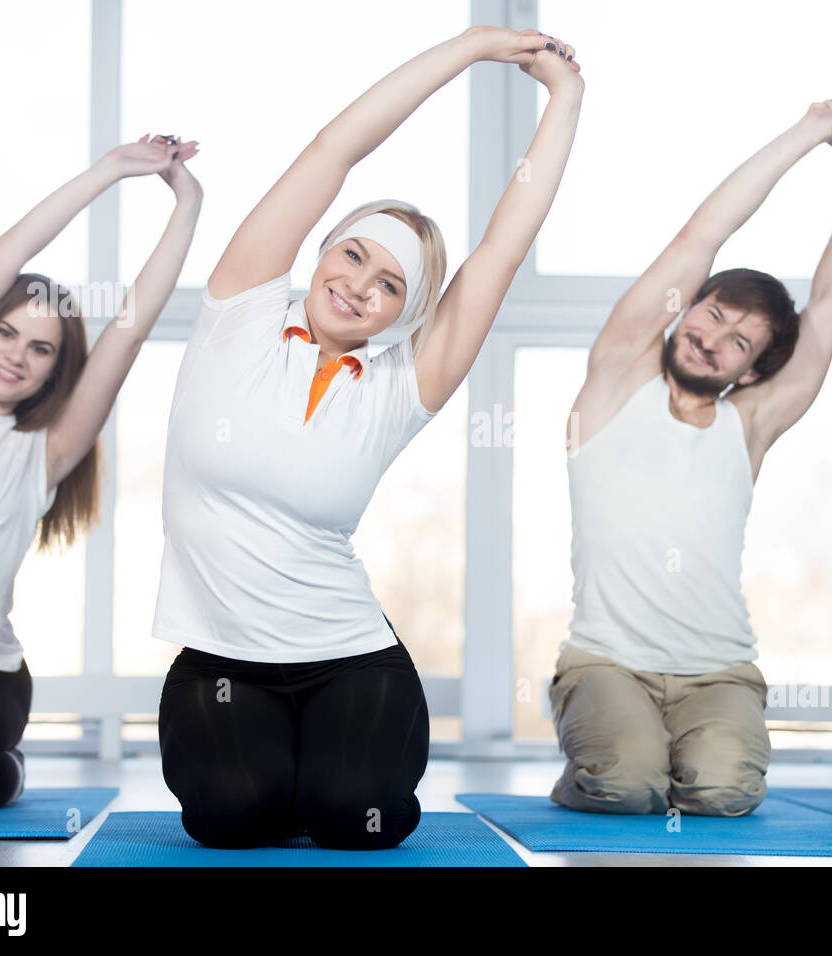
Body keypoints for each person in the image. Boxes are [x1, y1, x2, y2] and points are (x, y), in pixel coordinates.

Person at [154, 26, 584, 850]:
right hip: (220, 660)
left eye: (389, 285)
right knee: (231, 821)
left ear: (405, 313)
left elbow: (503, 247)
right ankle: (281, 779)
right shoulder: (239, 311)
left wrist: (564, 99)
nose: (359, 286)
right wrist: (469, 48)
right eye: (352, 256)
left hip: (350, 657)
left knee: (358, 821)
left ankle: (332, 782)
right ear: (319, 252)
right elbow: (334, 147)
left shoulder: (398, 386)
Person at [548, 88, 832, 816]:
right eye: (712, 313)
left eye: (739, 340)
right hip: (606, 663)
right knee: (629, 784)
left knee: (726, 793)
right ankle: (601, 763)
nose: (712, 336)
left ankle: (676, 755)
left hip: (719, 673)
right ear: (687, 308)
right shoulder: (616, 378)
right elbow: (703, 233)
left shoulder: (750, 424)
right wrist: (808, 133)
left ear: (752, 371)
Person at [0, 134, 202, 809]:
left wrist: (186, 207)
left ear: (57, 368)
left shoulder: (45, 452)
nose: (17, 356)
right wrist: (109, 170)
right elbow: (6, 256)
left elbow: (130, 330)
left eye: (42, 348)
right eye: (5, 333)